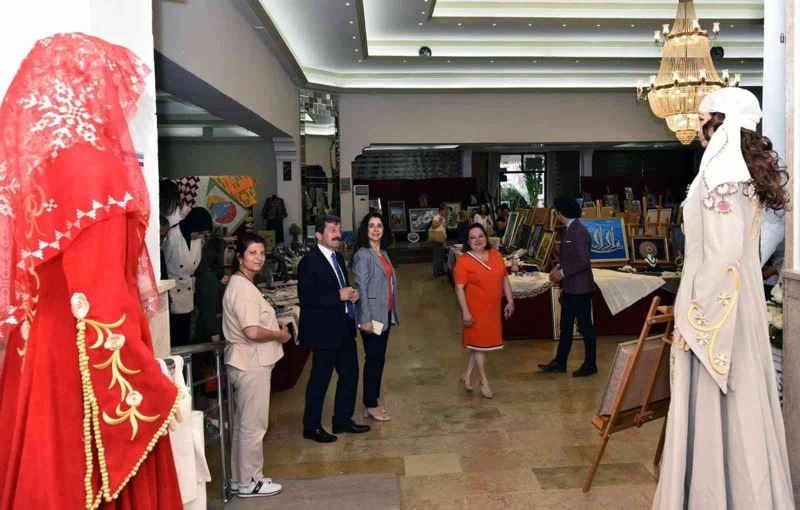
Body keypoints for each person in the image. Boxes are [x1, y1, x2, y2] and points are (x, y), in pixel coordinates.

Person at [0, 33, 182, 508]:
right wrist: (148, 383)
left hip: (36, 354)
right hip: (84, 361)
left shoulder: (37, 172)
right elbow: (99, 299)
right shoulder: (97, 169)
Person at [653, 88, 793, 508]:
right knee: (743, 404)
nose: (697, 126)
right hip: (741, 307)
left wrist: (696, 321)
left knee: (721, 404)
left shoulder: (720, 172)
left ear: (720, 121)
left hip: (717, 312)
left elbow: (722, 257)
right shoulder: (742, 172)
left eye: (702, 118)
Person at [223, 233, 291, 498]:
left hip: (246, 361)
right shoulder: (242, 289)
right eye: (252, 253)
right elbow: (251, 331)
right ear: (240, 257)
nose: (259, 257)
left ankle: (240, 479)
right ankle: (252, 481)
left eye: (261, 253)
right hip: (251, 362)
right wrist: (279, 335)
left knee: (244, 424)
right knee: (253, 425)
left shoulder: (242, 284)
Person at [298, 215, 370, 442]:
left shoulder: (337, 257)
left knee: (350, 374)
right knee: (320, 379)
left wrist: (351, 294)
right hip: (323, 331)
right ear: (319, 235)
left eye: (338, 229)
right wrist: (338, 295)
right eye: (332, 230)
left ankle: (342, 420)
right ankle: (311, 427)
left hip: (343, 328)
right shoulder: (309, 261)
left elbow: (340, 287)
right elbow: (307, 297)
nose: (338, 234)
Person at [538, 196, 598, 377]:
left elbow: (583, 261)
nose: (554, 213)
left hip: (581, 288)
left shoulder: (578, 231)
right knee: (565, 325)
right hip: (571, 288)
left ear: (561, 212)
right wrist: (557, 267)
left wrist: (562, 273)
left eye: (555, 210)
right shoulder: (569, 229)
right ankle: (560, 361)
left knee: (585, 327)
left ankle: (590, 364)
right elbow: (569, 257)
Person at [454, 224, 514, 398]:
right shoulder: (463, 261)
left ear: (486, 237)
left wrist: (510, 300)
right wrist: (466, 312)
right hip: (475, 309)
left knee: (477, 345)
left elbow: (504, 278)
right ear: (468, 241)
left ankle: (467, 376)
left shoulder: (496, 255)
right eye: (473, 237)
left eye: (480, 236)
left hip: (492, 309)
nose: (477, 240)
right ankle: (484, 381)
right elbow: (459, 288)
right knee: (480, 346)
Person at [352, 213, 399, 422]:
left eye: (379, 225)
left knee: (378, 358)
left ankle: (370, 400)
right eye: (371, 226)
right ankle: (371, 404)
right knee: (374, 359)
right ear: (365, 230)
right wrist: (365, 319)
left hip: (384, 313)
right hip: (372, 317)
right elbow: (361, 287)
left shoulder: (382, 252)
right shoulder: (363, 255)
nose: (376, 229)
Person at [162, 207, 212, 346]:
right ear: (192, 225)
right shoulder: (171, 236)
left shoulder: (197, 238)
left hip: (188, 292)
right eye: (200, 233)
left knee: (185, 333)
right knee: (173, 335)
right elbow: (162, 265)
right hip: (173, 293)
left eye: (203, 234)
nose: (200, 236)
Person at [194, 237, 229, 344]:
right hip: (210, 331)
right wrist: (214, 335)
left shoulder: (214, 273)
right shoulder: (208, 278)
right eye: (226, 252)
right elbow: (208, 310)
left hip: (216, 325)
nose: (227, 256)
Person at [429, 204, 449, 276]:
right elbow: (433, 226)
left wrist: (446, 219)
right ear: (441, 210)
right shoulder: (436, 217)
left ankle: (441, 270)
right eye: (445, 210)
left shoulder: (443, 217)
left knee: (441, 256)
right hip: (436, 239)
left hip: (441, 238)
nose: (446, 211)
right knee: (437, 256)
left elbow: (446, 227)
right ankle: (436, 272)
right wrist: (440, 221)